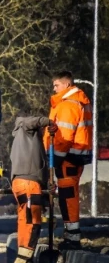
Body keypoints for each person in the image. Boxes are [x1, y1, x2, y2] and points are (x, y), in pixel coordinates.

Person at [43, 71, 93, 250]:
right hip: (75, 157)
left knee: (67, 197)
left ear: (66, 85)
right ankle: (72, 235)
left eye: (56, 85)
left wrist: (54, 160)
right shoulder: (79, 101)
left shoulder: (68, 105)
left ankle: (72, 238)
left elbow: (63, 137)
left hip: (67, 158)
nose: (54, 89)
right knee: (69, 195)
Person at [8, 115, 52, 263]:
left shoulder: (28, 141)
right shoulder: (25, 129)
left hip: (24, 183)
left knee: (24, 222)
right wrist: (49, 121)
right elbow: (29, 121)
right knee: (32, 224)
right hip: (28, 183)